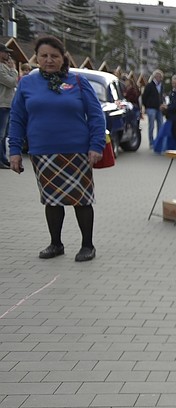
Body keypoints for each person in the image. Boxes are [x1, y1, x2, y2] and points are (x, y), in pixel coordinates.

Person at [7, 36, 107, 262]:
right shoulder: (26, 83)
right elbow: (17, 119)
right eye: (44, 56)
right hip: (42, 152)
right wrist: (14, 150)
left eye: (54, 56)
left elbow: (96, 116)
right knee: (51, 199)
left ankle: (87, 245)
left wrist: (96, 145)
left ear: (63, 58)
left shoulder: (79, 82)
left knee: (81, 199)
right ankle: (56, 244)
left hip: (77, 152)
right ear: (37, 58)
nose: (49, 60)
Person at [0, 45, 17, 168]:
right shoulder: (1, 68)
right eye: (6, 52)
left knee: (4, 135)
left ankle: (3, 158)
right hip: (1, 104)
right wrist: (13, 70)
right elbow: (11, 82)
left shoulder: (4, 66)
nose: (8, 55)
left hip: (7, 104)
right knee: (0, 135)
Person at [161, 74, 176, 150]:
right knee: (174, 134)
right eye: (173, 83)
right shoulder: (172, 92)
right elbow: (171, 103)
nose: (174, 85)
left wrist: (167, 107)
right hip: (171, 117)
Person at [141, 70, 165, 145]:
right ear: (155, 77)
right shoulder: (149, 85)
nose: (160, 78)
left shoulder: (161, 86)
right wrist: (146, 106)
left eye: (161, 77)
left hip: (159, 108)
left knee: (160, 125)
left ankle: (158, 141)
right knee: (151, 126)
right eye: (158, 77)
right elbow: (144, 96)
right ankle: (151, 142)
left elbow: (161, 96)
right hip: (151, 108)